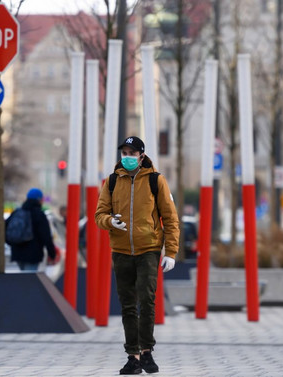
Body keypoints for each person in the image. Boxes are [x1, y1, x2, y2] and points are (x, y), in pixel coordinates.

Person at [95, 136, 180, 375]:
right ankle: (132, 356)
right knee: (128, 305)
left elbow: (171, 219)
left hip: (149, 250)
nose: (127, 157)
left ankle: (147, 352)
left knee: (147, 299)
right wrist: (110, 221)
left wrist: (171, 252)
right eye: (124, 152)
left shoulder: (156, 180)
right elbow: (99, 214)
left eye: (132, 153)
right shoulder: (112, 181)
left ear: (142, 156)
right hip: (121, 251)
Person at [8, 188, 58, 271]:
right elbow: (46, 236)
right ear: (39, 200)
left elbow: (7, 229)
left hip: (17, 253)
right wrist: (52, 253)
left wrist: (13, 244)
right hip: (33, 254)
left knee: (24, 278)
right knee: (29, 280)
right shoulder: (39, 215)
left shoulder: (17, 212)